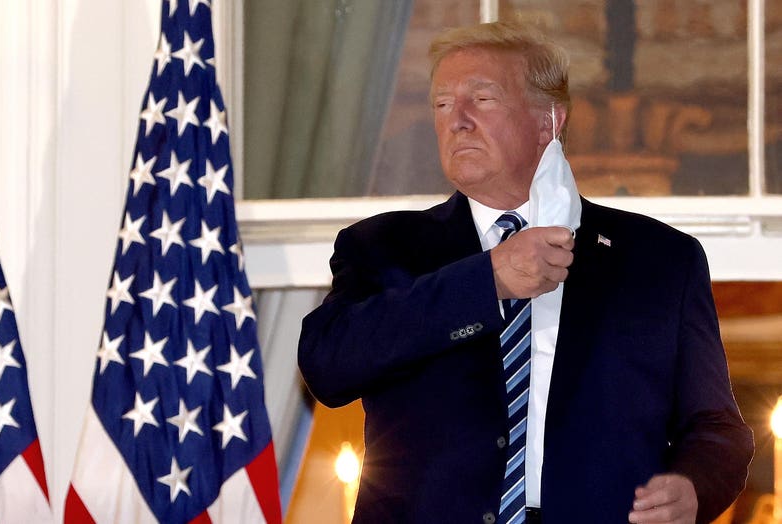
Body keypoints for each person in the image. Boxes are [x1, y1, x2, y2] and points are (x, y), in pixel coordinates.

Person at [297, 21, 753, 524]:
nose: (458, 121)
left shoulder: (661, 260)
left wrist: (695, 487)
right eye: (443, 104)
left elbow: (717, 428)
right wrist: (485, 280)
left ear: (548, 122)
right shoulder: (382, 246)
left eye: (482, 99)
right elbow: (326, 366)